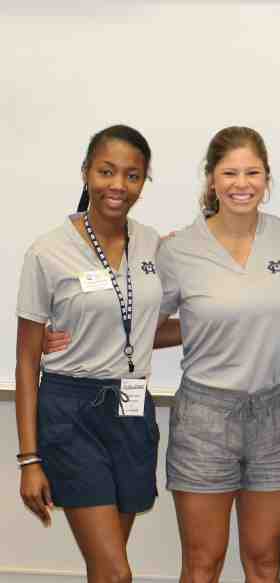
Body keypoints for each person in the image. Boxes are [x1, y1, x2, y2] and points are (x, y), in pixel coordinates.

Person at [15, 125, 163, 583]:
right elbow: (25, 361)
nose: (117, 185)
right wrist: (29, 459)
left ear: (143, 182)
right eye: (105, 171)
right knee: (117, 573)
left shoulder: (152, 243)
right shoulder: (48, 251)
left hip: (132, 409)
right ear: (85, 173)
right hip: (71, 412)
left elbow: (142, 324)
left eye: (132, 175)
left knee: (105, 569)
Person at [156, 127, 280, 583]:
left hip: (276, 417)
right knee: (203, 565)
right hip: (205, 419)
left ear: (267, 178)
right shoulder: (178, 249)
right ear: (211, 180)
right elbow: (144, 327)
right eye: (230, 173)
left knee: (264, 563)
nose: (242, 183)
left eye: (253, 172)